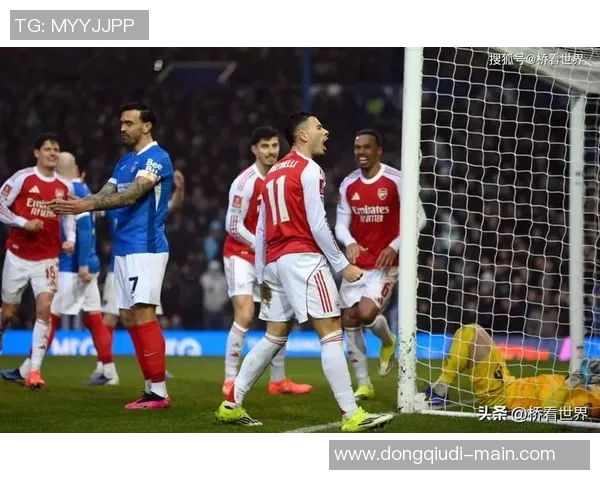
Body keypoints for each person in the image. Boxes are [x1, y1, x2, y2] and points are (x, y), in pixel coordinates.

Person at [215, 111, 395, 432]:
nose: (325, 132)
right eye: (319, 127)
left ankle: (231, 404)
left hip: (273, 262)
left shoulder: (272, 174)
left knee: (273, 336)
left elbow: (261, 229)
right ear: (303, 136)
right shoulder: (310, 169)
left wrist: (262, 271)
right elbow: (317, 223)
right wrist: (342, 264)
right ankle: (351, 414)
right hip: (303, 260)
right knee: (331, 330)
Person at [49, 102, 174, 410]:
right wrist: (79, 202)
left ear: (146, 126)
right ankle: (150, 386)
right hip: (124, 249)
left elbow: (132, 194)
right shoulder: (125, 161)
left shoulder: (157, 158)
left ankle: (159, 392)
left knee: (144, 313)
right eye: (121, 123)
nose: (122, 128)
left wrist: (86, 205)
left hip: (146, 246)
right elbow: (106, 193)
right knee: (129, 316)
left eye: (129, 123)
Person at [1, 152, 116, 385]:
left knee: (49, 314)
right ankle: (109, 371)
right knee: (93, 318)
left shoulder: (71, 190)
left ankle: (27, 369)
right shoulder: (82, 189)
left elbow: (84, 229)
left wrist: (81, 263)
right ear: (77, 170)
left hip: (73, 266)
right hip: (89, 263)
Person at [335, 129, 427, 400]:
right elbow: (340, 225)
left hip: (387, 264)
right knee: (348, 319)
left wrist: (394, 246)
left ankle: (388, 341)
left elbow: (420, 218)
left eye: (367, 147)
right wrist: (350, 242)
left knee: (365, 313)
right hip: (358, 264)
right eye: (357, 148)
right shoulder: (348, 184)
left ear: (379, 151)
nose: (361, 152)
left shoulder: (396, 180)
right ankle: (364, 384)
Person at [222, 126, 312, 397]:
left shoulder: (282, 177)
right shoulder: (245, 182)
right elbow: (232, 224)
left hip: (270, 258)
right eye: (265, 146)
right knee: (245, 314)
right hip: (240, 255)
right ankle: (230, 379)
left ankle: (278, 380)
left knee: (280, 317)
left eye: (274, 145)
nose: (271, 151)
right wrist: (260, 245)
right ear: (254, 149)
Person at [86, 169, 185, 385]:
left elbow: (171, 207)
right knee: (111, 318)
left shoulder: (146, 206)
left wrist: (179, 190)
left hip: (143, 263)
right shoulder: (112, 207)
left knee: (148, 316)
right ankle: (104, 367)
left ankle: (157, 368)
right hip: (118, 267)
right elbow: (91, 211)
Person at [0, 133, 75, 388]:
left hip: (47, 258)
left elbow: (69, 216)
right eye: (48, 149)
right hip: (18, 255)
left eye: (56, 149)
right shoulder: (22, 178)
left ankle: (33, 371)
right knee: (8, 312)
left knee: (44, 308)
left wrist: (70, 239)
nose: (53, 153)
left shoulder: (65, 186)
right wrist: (23, 222)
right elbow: (0, 204)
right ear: (36, 153)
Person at [421, 323, 600, 418]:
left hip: (504, 398)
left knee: (470, 333)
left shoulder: (595, 403)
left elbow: (548, 412)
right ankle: (441, 389)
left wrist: (574, 380)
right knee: (473, 333)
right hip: (511, 385)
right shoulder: (595, 389)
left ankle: (439, 393)